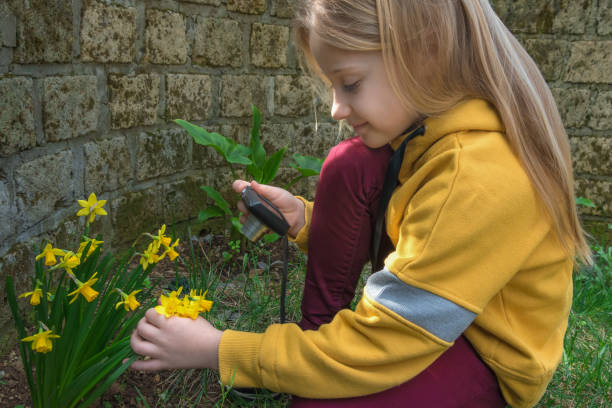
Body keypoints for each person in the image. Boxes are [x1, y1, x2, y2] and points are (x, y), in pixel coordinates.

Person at [129, 1, 592, 407]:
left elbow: (384, 342)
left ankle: (314, 369)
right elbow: (419, 237)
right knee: (351, 163)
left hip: (482, 351)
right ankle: (313, 352)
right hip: (436, 312)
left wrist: (219, 349)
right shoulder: (425, 134)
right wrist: (305, 219)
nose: (335, 108)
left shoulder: (477, 174)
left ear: (424, 52)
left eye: (350, 84)